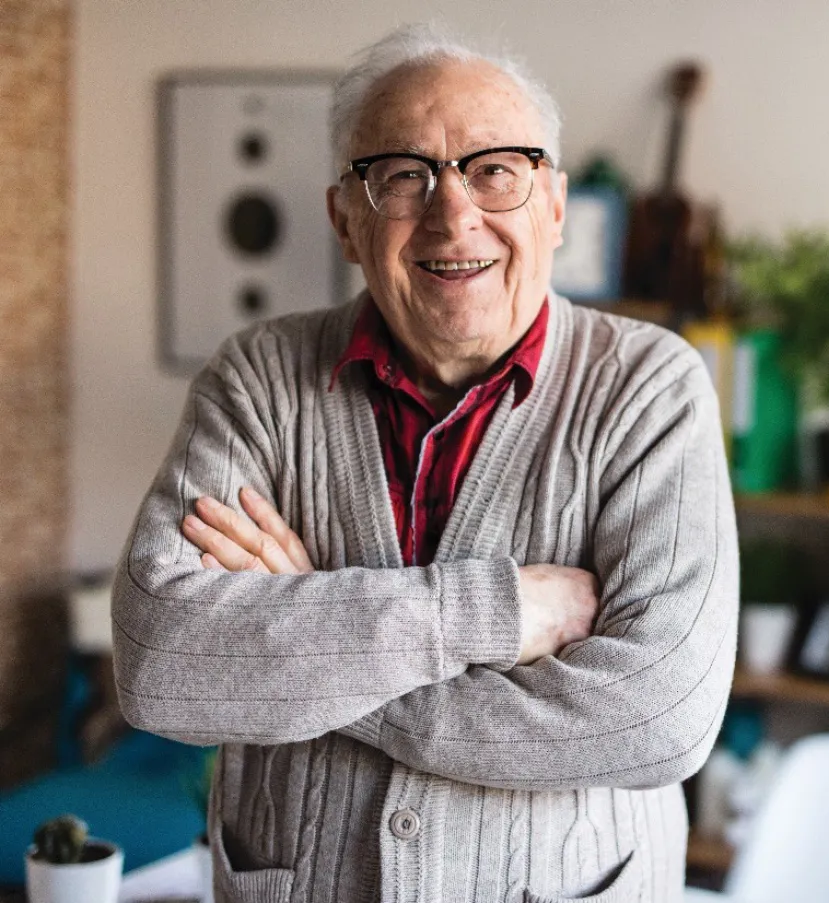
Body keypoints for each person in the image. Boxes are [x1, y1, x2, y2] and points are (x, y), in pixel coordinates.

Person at [113, 24, 738, 903]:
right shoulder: (254, 377)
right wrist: (501, 612)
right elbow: (159, 665)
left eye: (496, 169)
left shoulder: (651, 385)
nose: (453, 214)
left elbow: (656, 719)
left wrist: (315, 644)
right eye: (403, 175)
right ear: (344, 219)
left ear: (553, 206)